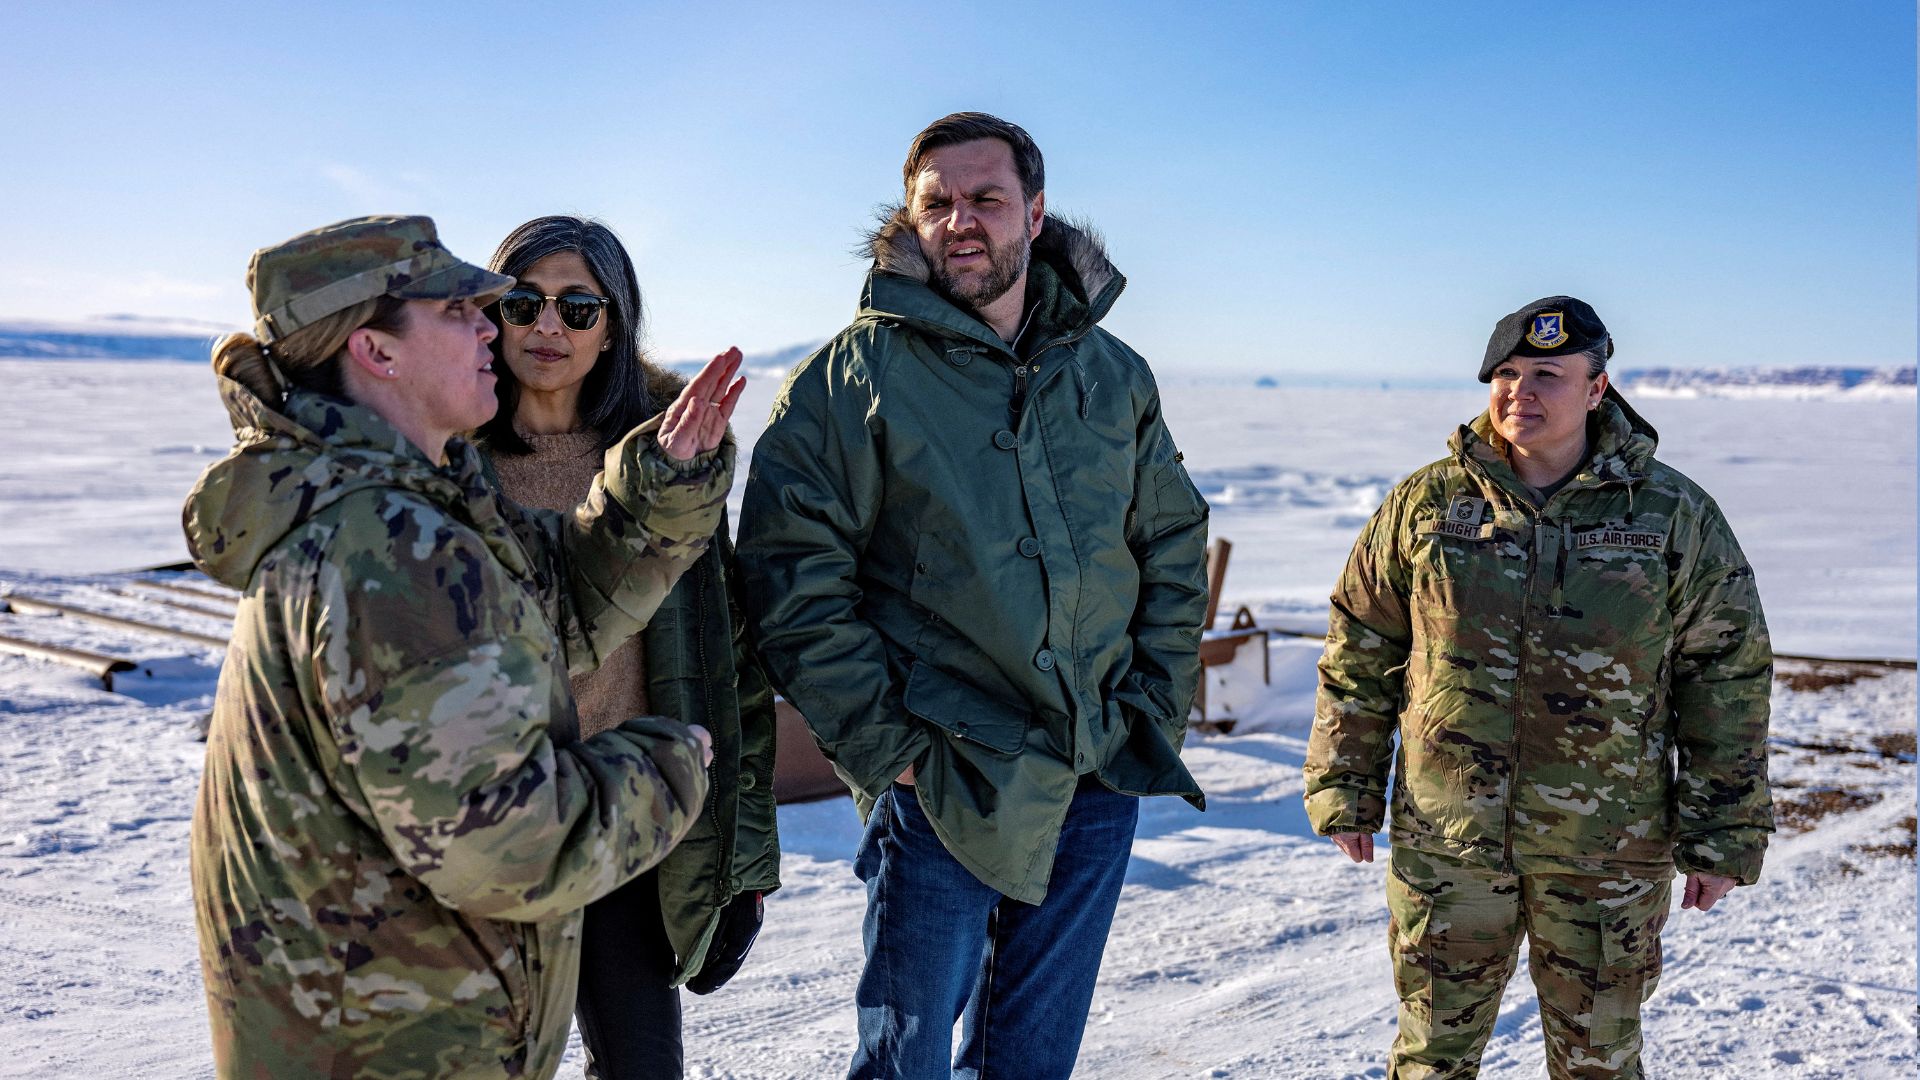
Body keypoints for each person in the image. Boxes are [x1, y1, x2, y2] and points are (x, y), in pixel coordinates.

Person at [184, 214, 746, 1080]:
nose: (499, 328)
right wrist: (668, 763)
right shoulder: (386, 547)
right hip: (387, 1038)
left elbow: (555, 603)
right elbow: (507, 846)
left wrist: (655, 488)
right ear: (377, 352)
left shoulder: (416, 506)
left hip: (407, 1015)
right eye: (463, 312)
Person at [736, 112, 1211, 1079]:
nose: (961, 220)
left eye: (986, 199)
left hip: (1095, 768)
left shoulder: (1112, 375)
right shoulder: (850, 378)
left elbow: (1168, 540)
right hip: (945, 778)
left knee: (1030, 1061)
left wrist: (1150, 703)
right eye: (936, 203)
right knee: (905, 1063)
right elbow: (792, 581)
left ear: (1034, 215)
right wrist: (888, 748)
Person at [1303, 296, 1773, 1078]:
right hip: (1449, 842)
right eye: (1507, 373)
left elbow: (1727, 673)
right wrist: (1343, 782)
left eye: (1548, 374)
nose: (1521, 391)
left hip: (1607, 854)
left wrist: (1724, 831)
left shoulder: (1669, 515)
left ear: (1597, 389)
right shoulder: (1429, 504)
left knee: (1599, 1062)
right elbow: (1361, 641)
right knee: (1431, 1059)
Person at [474, 215, 780, 1079]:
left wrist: (743, 858)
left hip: (626, 814)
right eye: (523, 302)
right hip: (487, 824)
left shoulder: (666, 462)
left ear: (614, 325)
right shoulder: (446, 456)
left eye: (577, 307)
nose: (546, 328)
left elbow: (731, 667)